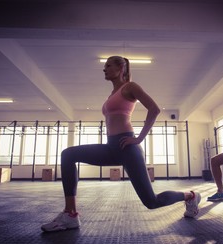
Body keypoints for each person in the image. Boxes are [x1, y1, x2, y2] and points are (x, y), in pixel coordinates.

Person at [41, 56, 202, 232]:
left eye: (108, 65)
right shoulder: (112, 94)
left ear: (121, 68)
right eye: (104, 66)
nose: (104, 69)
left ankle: (190, 196)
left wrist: (139, 138)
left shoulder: (130, 87)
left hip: (127, 147)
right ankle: (70, 214)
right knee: (68, 154)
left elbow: (154, 109)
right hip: (111, 147)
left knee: (151, 202)